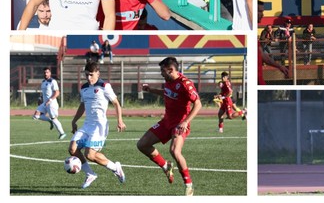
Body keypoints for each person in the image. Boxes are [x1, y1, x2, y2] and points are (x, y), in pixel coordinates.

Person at [137, 57, 202, 196]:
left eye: (163, 71)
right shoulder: (168, 81)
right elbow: (167, 92)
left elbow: (198, 104)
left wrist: (185, 122)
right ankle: (166, 166)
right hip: (166, 121)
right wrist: (151, 90)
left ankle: (189, 185)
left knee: (175, 151)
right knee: (142, 144)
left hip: (179, 124)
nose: (161, 73)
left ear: (171, 70)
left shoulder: (185, 84)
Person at [68, 61, 126, 189]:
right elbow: (82, 105)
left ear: (98, 73)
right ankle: (90, 174)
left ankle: (115, 168)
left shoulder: (105, 86)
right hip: (87, 125)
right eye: (86, 75)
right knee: (72, 149)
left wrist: (120, 121)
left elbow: (116, 103)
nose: (89, 78)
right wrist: (74, 121)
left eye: (91, 75)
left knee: (90, 155)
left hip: (99, 126)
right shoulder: (84, 88)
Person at [258, 0, 289, 85]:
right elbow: (263, 41)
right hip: (258, 81)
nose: (262, 14)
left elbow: (263, 56)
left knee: (269, 53)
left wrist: (279, 66)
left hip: (260, 81)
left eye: (262, 11)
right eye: (260, 11)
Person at [32, 67, 66, 139]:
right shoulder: (43, 82)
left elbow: (57, 92)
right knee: (35, 115)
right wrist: (40, 98)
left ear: (50, 73)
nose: (45, 74)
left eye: (47, 72)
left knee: (54, 118)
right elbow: (43, 93)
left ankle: (62, 133)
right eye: (44, 73)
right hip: (45, 103)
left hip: (51, 103)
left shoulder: (53, 81)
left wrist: (50, 100)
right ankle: (49, 120)